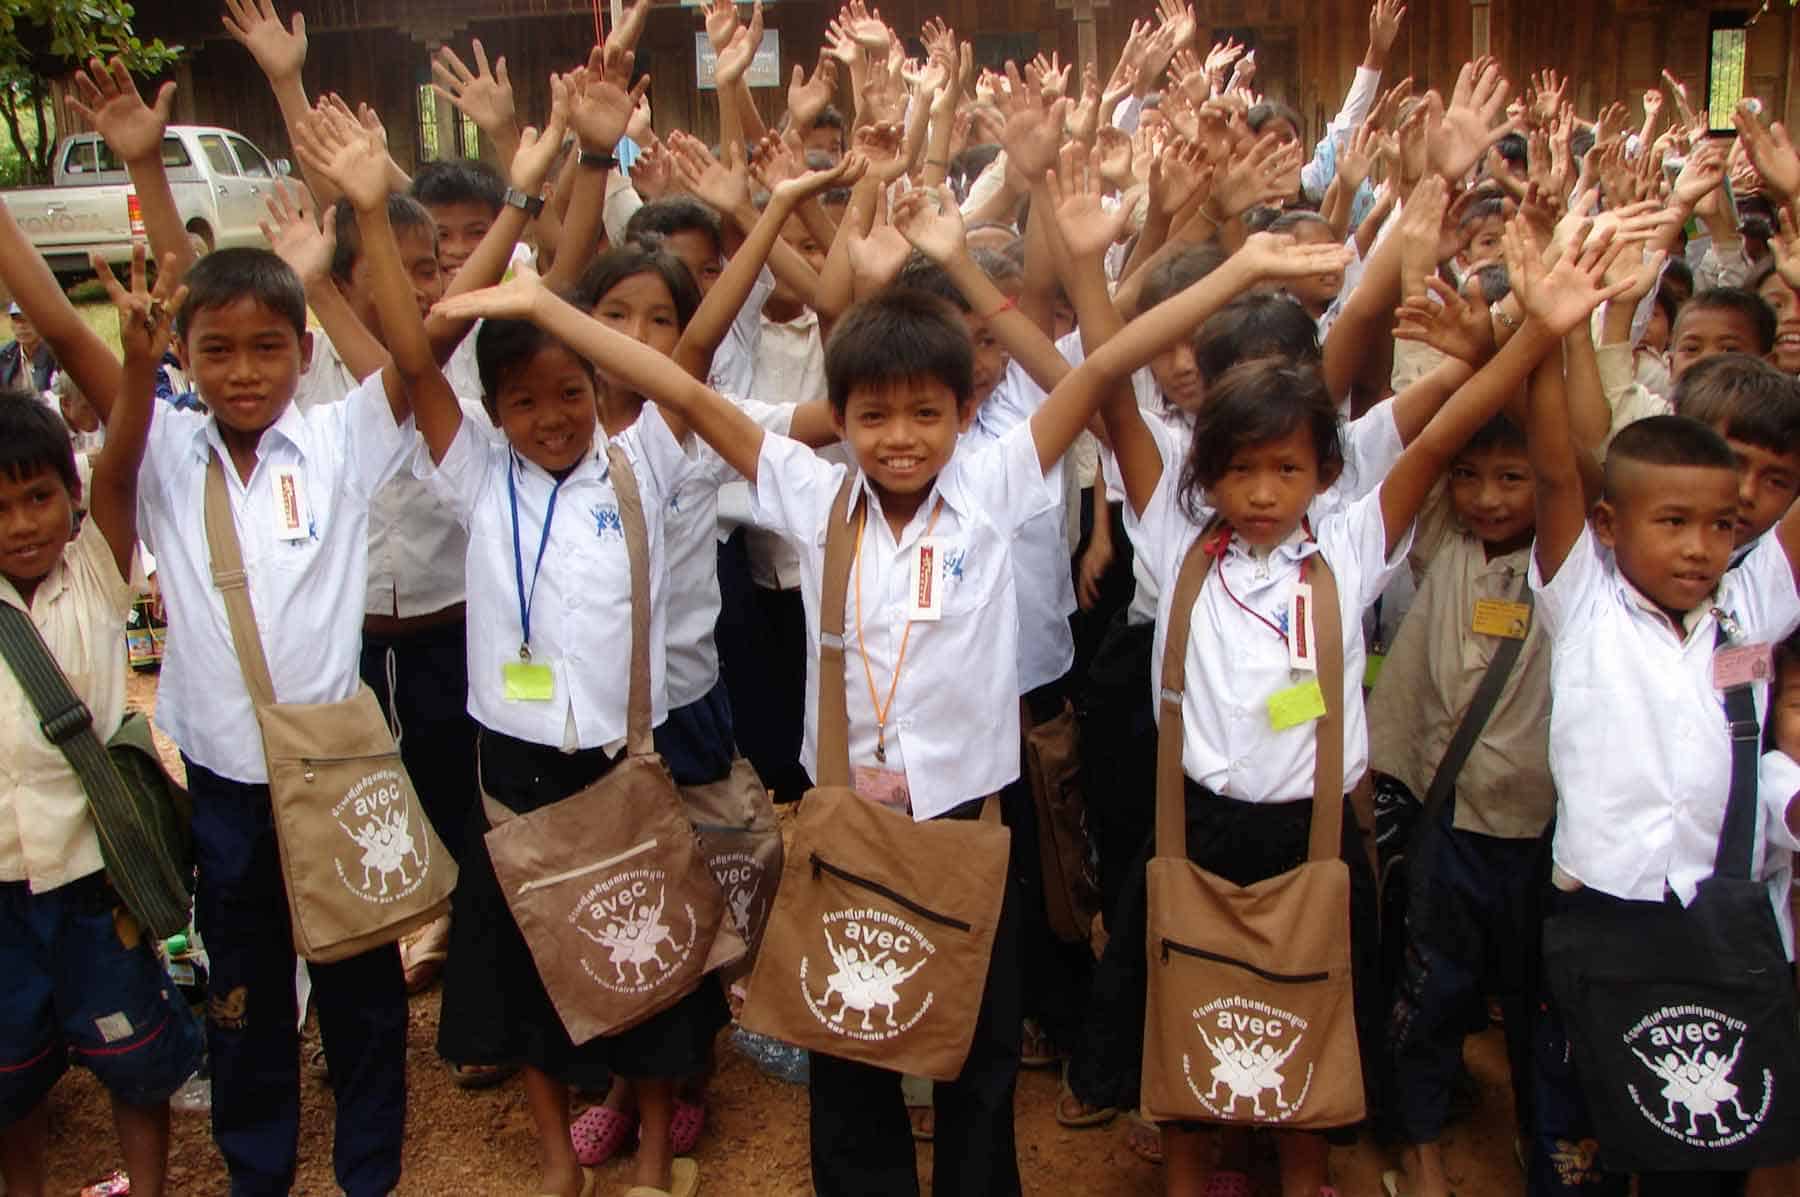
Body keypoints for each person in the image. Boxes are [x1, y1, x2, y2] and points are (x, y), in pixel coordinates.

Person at [1096, 210, 1627, 1197]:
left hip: (1318, 837)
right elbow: (1101, 382)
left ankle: (1303, 1175)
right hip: (1195, 829)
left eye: (1288, 469)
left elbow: (1446, 432)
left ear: (1327, 475)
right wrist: (1218, 267)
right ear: (1199, 476)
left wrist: (1538, 335)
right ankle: (1193, 1174)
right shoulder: (1176, 542)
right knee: (1184, 1028)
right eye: (1240, 470)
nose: (1262, 492)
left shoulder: (1346, 548)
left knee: (1310, 1028)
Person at [1525, 280, 1800, 1191]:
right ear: (1610, 526)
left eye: (1721, 527)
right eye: (1672, 523)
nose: (1699, 548)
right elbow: (1561, 466)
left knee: (1706, 1118)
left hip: (1719, 909)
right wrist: (1549, 332)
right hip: (1603, 904)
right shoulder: (1587, 601)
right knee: (1587, 1109)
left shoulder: (1748, 608)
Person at [0, 250, 202, 1197]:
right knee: (11, 1082)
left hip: (95, 878)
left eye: (39, 497)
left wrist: (134, 363)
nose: (20, 524)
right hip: (3, 884)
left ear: (71, 501)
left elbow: (122, 457)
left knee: (136, 1060)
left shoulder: (94, 565)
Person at [1369, 410, 1553, 1197]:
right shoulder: (1443, 539)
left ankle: (1543, 1133)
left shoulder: (1569, 566)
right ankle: (1419, 1145)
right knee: (1432, 982)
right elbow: (1438, 436)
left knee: (1535, 993)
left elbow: (1572, 454)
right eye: (1472, 477)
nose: (1488, 497)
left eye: (1514, 478)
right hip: (1444, 814)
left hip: (1540, 822)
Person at [0, 303, 56, 395]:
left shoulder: (57, 357)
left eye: (28, 319)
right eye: (16, 320)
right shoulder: (4, 354)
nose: (22, 326)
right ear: (12, 325)